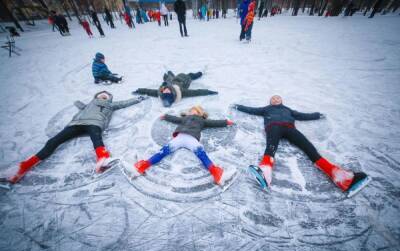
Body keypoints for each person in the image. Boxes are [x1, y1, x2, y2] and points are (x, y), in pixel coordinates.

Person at [233, 95, 371, 196]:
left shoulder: (288, 110)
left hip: (290, 129)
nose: (275, 100)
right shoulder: (266, 109)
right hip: (273, 127)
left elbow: (303, 116)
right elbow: (252, 110)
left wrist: (317, 115)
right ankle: (265, 173)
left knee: (310, 148)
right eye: (273, 99)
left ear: (282, 101)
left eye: (278, 98)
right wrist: (238, 106)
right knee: (271, 147)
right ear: (270, 102)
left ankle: (341, 177)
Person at [7, 91, 148, 184]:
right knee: (53, 141)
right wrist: (77, 101)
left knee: (96, 138)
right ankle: (25, 165)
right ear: (96, 96)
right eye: (101, 95)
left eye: (106, 95)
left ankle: (102, 158)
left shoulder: (111, 105)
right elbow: (78, 104)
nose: (104, 96)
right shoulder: (88, 105)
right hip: (75, 124)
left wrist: (138, 99)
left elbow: (124, 103)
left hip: (95, 123)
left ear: (109, 99)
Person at [132, 106, 234, 185]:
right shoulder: (185, 118)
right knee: (163, 151)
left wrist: (226, 122)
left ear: (199, 113)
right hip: (179, 138)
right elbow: (175, 119)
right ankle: (143, 166)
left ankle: (216, 173)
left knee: (202, 155)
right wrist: (166, 116)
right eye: (191, 110)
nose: (191, 112)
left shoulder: (202, 121)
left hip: (192, 139)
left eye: (194, 110)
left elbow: (214, 123)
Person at [132, 71, 217, 107]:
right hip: (185, 78)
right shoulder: (181, 92)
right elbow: (196, 92)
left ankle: (169, 72)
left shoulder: (162, 91)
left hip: (173, 79)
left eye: (165, 91)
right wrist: (209, 92)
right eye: (167, 92)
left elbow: (149, 91)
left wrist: (139, 90)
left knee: (168, 78)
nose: (166, 90)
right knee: (192, 75)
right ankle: (201, 72)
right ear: (172, 94)